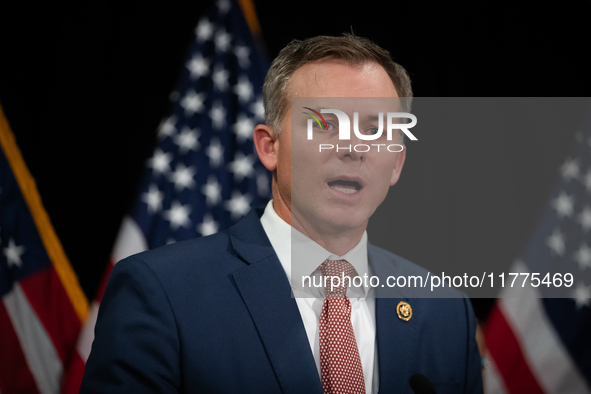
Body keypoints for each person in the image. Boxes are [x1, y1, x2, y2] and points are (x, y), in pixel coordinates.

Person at [80, 34, 483, 393]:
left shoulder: (445, 308)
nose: (352, 147)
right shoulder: (161, 291)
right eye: (325, 123)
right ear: (269, 146)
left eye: (375, 129)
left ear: (397, 162)